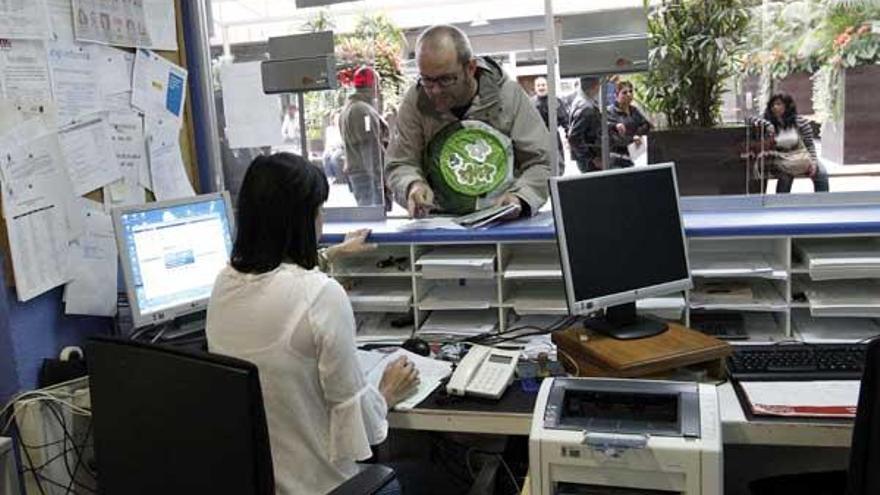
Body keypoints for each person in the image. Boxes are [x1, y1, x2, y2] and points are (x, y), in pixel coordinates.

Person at [205, 152, 419, 495]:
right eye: (318, 211)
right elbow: (358, 425)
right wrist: (386, 393)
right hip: (327, 485)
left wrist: (334, 253)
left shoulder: (223, 284)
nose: (321, 220)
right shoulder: (321, 295)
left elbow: (276, 278)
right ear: (300, 221)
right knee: (432, 474)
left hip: (266, 483)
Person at [385, 24, 551, 219]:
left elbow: (543, 162)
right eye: (427, 80)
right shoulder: (416, 100)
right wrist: (412, 185)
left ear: (470, 68)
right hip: (441, 222)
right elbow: (400, 163)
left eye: (446, 80)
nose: (435, 90)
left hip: (503, 221)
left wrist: (521, 197)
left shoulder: (508, 96)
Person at [756, 92, 829, 194]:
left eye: (778, 104)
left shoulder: (801, 123)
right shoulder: (768, 123)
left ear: (787, 105)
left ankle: (822, 202)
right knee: (785, 177)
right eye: (772, 105)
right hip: (780, 159)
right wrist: (767, 124)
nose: (775, 107)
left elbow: (810, 145)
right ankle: (781, 205)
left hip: (801, 156)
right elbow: (751, 120)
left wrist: (813, 161)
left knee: (821, 173)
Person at [340, 66, 388, 206]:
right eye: (378, 85)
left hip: (361, 175)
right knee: (375, 219)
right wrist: (382, 178)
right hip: (368, 177)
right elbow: (371, 149)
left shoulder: (350, 107)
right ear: (373, 86)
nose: (379, 90)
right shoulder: (362, 111)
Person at [607, 80, 652, 169]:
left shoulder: (634, 110)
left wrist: (637, 134)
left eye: (631, 91)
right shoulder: (610, 112)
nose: (629, 94)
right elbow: (614, 135)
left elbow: (645, 125)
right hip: (617, 158)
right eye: (624, 92)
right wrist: (632, 139)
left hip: (635, 155)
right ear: (616, 95)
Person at [531, 76, 569, 173]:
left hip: (553, 136)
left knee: (558, 162)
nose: (541, 87)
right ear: (535, 88)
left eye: (543, 85)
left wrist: (568, 137)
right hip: (537, 138)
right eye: (538, 85)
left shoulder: (555, 101)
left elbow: (565, 120)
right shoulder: (530, 103)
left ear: (548, 86)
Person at [567, 76, 603, 173]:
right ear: (595, 86)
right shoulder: (586, 107)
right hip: (590, 160)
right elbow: (574, 138)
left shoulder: (581, 101)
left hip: (587, 157)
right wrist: (592, 158)